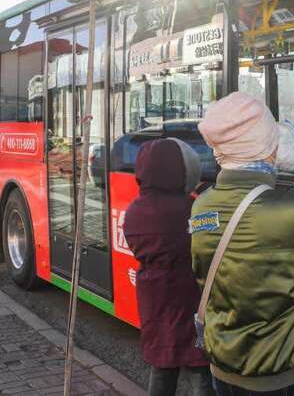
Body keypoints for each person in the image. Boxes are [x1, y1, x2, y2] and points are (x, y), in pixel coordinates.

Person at [191, 91, 294, 395]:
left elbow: (257, 222)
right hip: (285, 376)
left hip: (225, 369)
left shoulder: (202, 205)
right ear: (265, 147)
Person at [123, 138, 214, 396]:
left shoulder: (134, 211)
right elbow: (209, 240)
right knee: (199, 365)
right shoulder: (193, 208)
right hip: (191, 295)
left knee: (162, 363)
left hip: (154, 297)